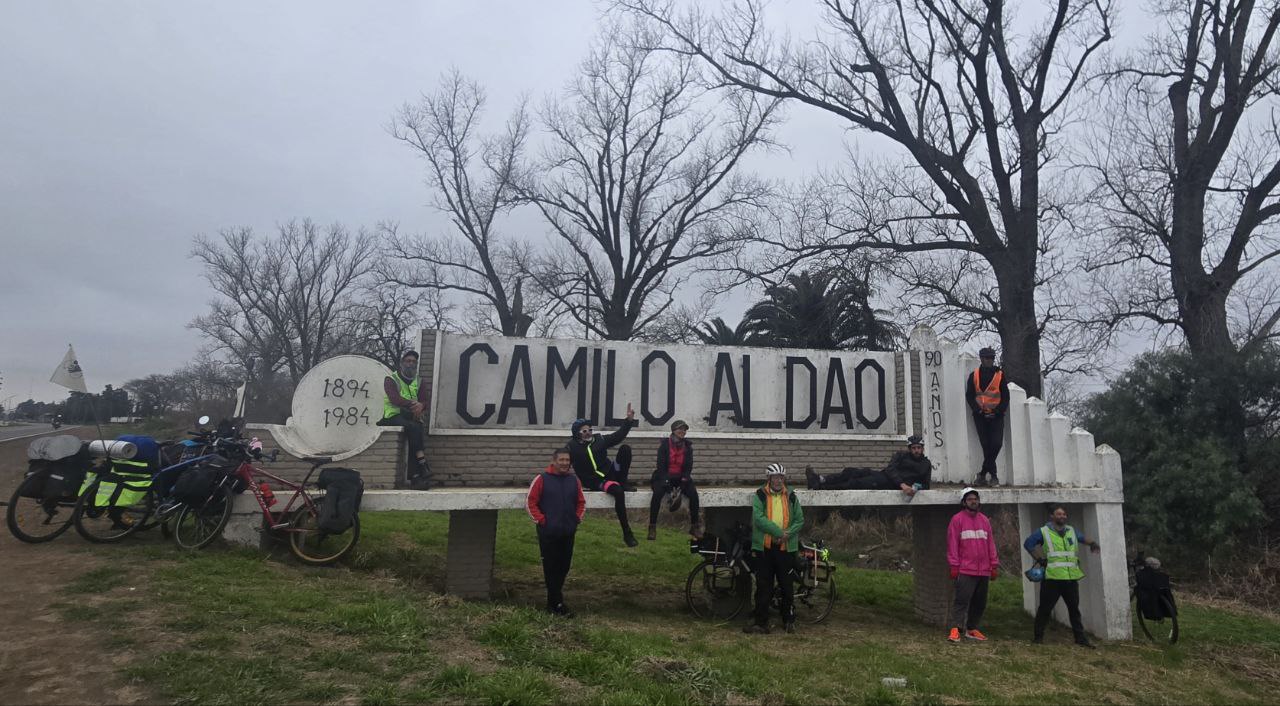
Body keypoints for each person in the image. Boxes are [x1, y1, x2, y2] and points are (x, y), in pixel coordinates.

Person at [1025, 504, 1101, 648]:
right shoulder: (1044, 531)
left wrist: (1093, 543)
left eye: (1064, 514)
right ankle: (1038, 638)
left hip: (1070, 578)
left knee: (1074, 610)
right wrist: (1040, 559)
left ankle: (1080, 639)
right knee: (1045, 609)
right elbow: (1028, 544)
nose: (1062, 516)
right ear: (1052, 517)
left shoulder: (1071, 531)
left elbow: (1083, 538)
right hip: (1052, 578)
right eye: (1059, 514)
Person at [744, 463, 805, 635]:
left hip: (786, 547)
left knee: (787, 585)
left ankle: (789, 620)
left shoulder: (791, 496)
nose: (778, 481)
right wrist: (779, 532)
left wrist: (787, 534)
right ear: (768, 479)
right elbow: (759, 518)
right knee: (764, 585)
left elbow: (799, 520)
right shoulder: (761, 495)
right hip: (765, 547)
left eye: (781, 477)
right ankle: (761, 622)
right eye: (775, 478)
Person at [526, 447, 585, 617]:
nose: (565, 463)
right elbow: (531, 502)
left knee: (564, 566)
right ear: (554, 461)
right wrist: (543, 521)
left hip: (568, 532)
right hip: (549, 533)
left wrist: (576, 520)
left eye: (567, 460)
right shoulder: (542, 479)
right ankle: (557, 604)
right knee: (551, 567)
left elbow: (581, 502)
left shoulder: (574, 480)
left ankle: (554, 601)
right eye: (562, 460)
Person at [567, 406, 639, 547]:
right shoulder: (571, 447)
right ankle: (627, 533)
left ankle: (623, 482)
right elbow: (562, 463)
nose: (588, 433)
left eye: (590, 430)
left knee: (625, 449)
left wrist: (629, 421)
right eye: (584, 431)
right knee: (618, 492)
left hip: (613, 473)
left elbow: (618, 435)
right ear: (577, 433)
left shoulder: (599, 440)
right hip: (597, 481)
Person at [946, 487, 1000, 642]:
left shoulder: (984, 520)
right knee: (961, 601)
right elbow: (952, 544)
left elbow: (990, 543)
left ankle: (972, 628)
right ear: (964, 502)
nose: (973, 501)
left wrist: (994, 565)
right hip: (965, 569)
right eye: (970, 499)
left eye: (975, 499)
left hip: (983, 570)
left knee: (979, 602)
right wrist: (954, 565)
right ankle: (956, 629)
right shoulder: (957, 520)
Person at [804, 435, 932, 497]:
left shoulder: (925, 465)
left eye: (918, 448)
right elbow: (890, 469)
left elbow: (926, 485)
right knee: (850, 471)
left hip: (888, 484)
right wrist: (902, 484)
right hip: (883, 476)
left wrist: (914, 488)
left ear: (922, 449)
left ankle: (822, 487)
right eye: (914, 448)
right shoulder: (901, 455)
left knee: (855, 483)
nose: (916, 450)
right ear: (909, 448)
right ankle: (820, 479)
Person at [380, 350, 431, 489]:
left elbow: (425, 400)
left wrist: (422, 405)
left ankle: (417, 477)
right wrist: (413, 404)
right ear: (402, 363)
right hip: (393, 416)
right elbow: (394, 398)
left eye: (414, 362)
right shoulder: (391, 379)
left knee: (417, 429)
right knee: (413, 428)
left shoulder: (419, 381)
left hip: (410, 417)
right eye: (408, 361)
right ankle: (420, 467)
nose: (411, 364)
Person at [647, 419, 702, 541]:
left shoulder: (688, 447)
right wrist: (666, 483)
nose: (683, 431)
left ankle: (694, 526)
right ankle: (652, 526)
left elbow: (688, 467)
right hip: (664, 475)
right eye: (680, 429)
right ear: (673, 430)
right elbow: (660, 466)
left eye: (684, 429)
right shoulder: (664, 445)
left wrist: (683, 482)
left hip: (680, 477)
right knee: (657, 494)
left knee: (693, 494)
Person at [966, 347, 1009, 487]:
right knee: (986, 446)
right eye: (987, 358)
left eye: (992, 358)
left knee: (996, 444)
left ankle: (983, 474)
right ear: (982, 359)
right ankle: (993, 477)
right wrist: (977, 410)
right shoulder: (974, 375)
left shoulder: (1000, 375)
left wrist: (998, 411)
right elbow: (970, 395)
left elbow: (1005, 397)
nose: (990, 360)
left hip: (996, 416)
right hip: (980, 416)